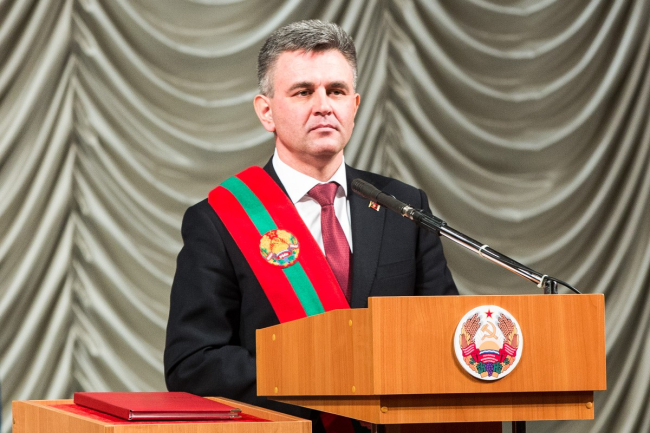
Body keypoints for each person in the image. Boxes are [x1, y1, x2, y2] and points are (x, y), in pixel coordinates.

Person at [164, 19, 457, 430]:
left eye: (336, 91)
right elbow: (193, 363)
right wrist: (318, 379)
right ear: (266, 111)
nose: (323, 105)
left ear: (354, 106)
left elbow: (444, 336)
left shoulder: (404, 208)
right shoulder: (220, 221)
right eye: (303, 92)